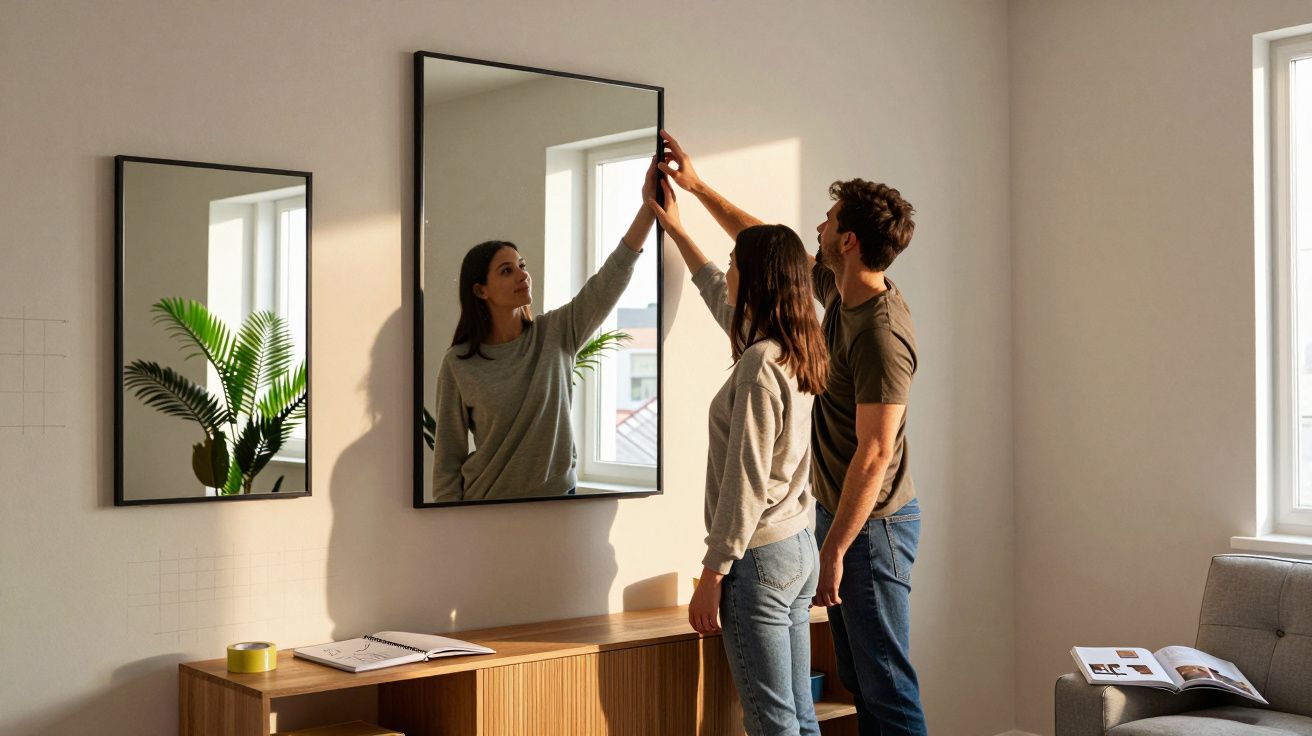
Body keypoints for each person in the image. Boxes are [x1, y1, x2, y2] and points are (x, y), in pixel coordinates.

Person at [658, 131, 926, 735]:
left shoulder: (880, 333)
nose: (819, 226)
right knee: (849, 685)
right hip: (810, 526)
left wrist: (833, 551)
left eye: (829, 219)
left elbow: (875, 452)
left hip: (872, 523)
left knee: (883, 686)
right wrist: (694, 193)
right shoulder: (826, 305)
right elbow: (768, 253)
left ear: (847, 241)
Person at [648, 176, 829, 736]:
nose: (727, 269)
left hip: (760, 557)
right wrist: (677, 229)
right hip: (798, 547)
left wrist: (713, 572)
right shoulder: (799, 346)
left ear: (754, 277)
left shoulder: (758, 365)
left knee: (772, 723)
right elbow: (714, 293)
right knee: (800, 717)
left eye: (733, 262)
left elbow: (745, 483)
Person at [430, 161, 658, 502]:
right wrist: (448, 524)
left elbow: (611, 277)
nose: (522, 274)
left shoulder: (557, 332)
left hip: (558, 501)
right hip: (485, 508)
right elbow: (447, 461)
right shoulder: (459, 363)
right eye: (506, 270)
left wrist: (648, 208)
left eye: (522, 265)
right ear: (481, 290)